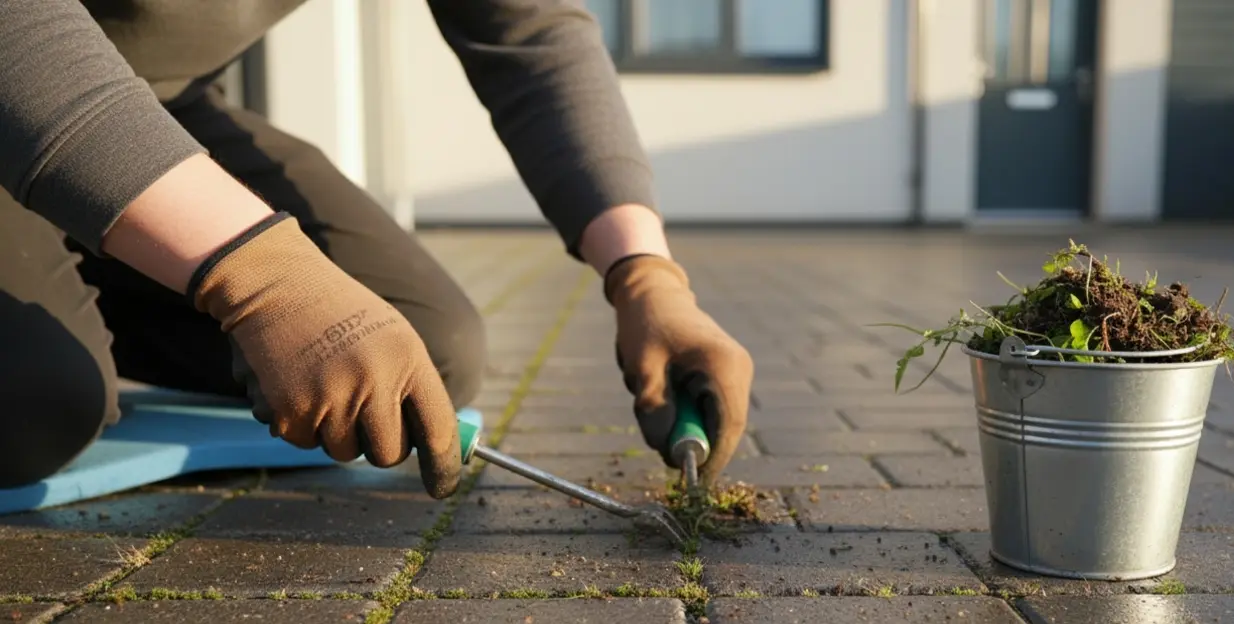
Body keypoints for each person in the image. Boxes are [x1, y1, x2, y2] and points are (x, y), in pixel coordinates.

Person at [0, 0, 754, 498]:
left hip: (160, 104)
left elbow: (535, 37)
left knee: (420, 353)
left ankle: (114, 255)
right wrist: (262, 277)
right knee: (34, 404)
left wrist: (644, 276)